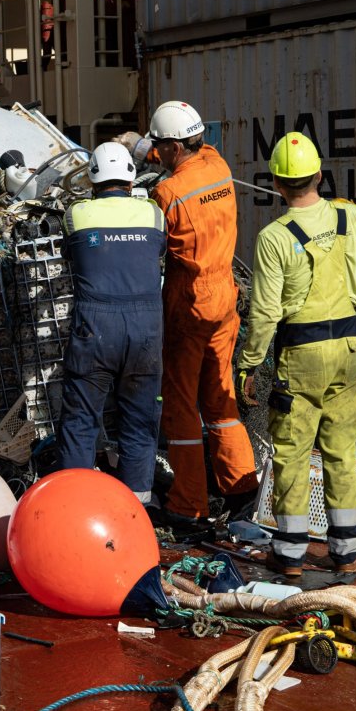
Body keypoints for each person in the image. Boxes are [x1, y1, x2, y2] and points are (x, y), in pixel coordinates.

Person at [236, 133, 356, 578]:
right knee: (341, 451)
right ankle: (346, 552)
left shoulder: (273, 237)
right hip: (349, 351)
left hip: (300, 357)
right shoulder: (353, 218)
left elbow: (266, 311)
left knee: (291, 453)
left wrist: (250, 364)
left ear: (276, 182)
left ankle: (289, 556)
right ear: (320, 176)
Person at [117, 101, 258, 533]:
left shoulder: (168, 194)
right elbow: (182, 157)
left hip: (190, 302)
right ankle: (240, 486)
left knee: (180, 404)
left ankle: (189, 504)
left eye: (161, 147)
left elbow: (149, 246)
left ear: (175, 146)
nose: (156, 152)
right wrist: (142, 146)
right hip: (225, 299)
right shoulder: (218, 165)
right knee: (221, 397)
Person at [55, 142, 167, 505]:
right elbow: (158, 252)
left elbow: (69, 254)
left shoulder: (76, 214)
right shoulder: (153, 215)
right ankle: (137, 510)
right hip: (146, 328)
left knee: (81, 421)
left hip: (96, 326)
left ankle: (78, 505)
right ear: (131, 178)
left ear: (92, 178)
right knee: (138, 424)